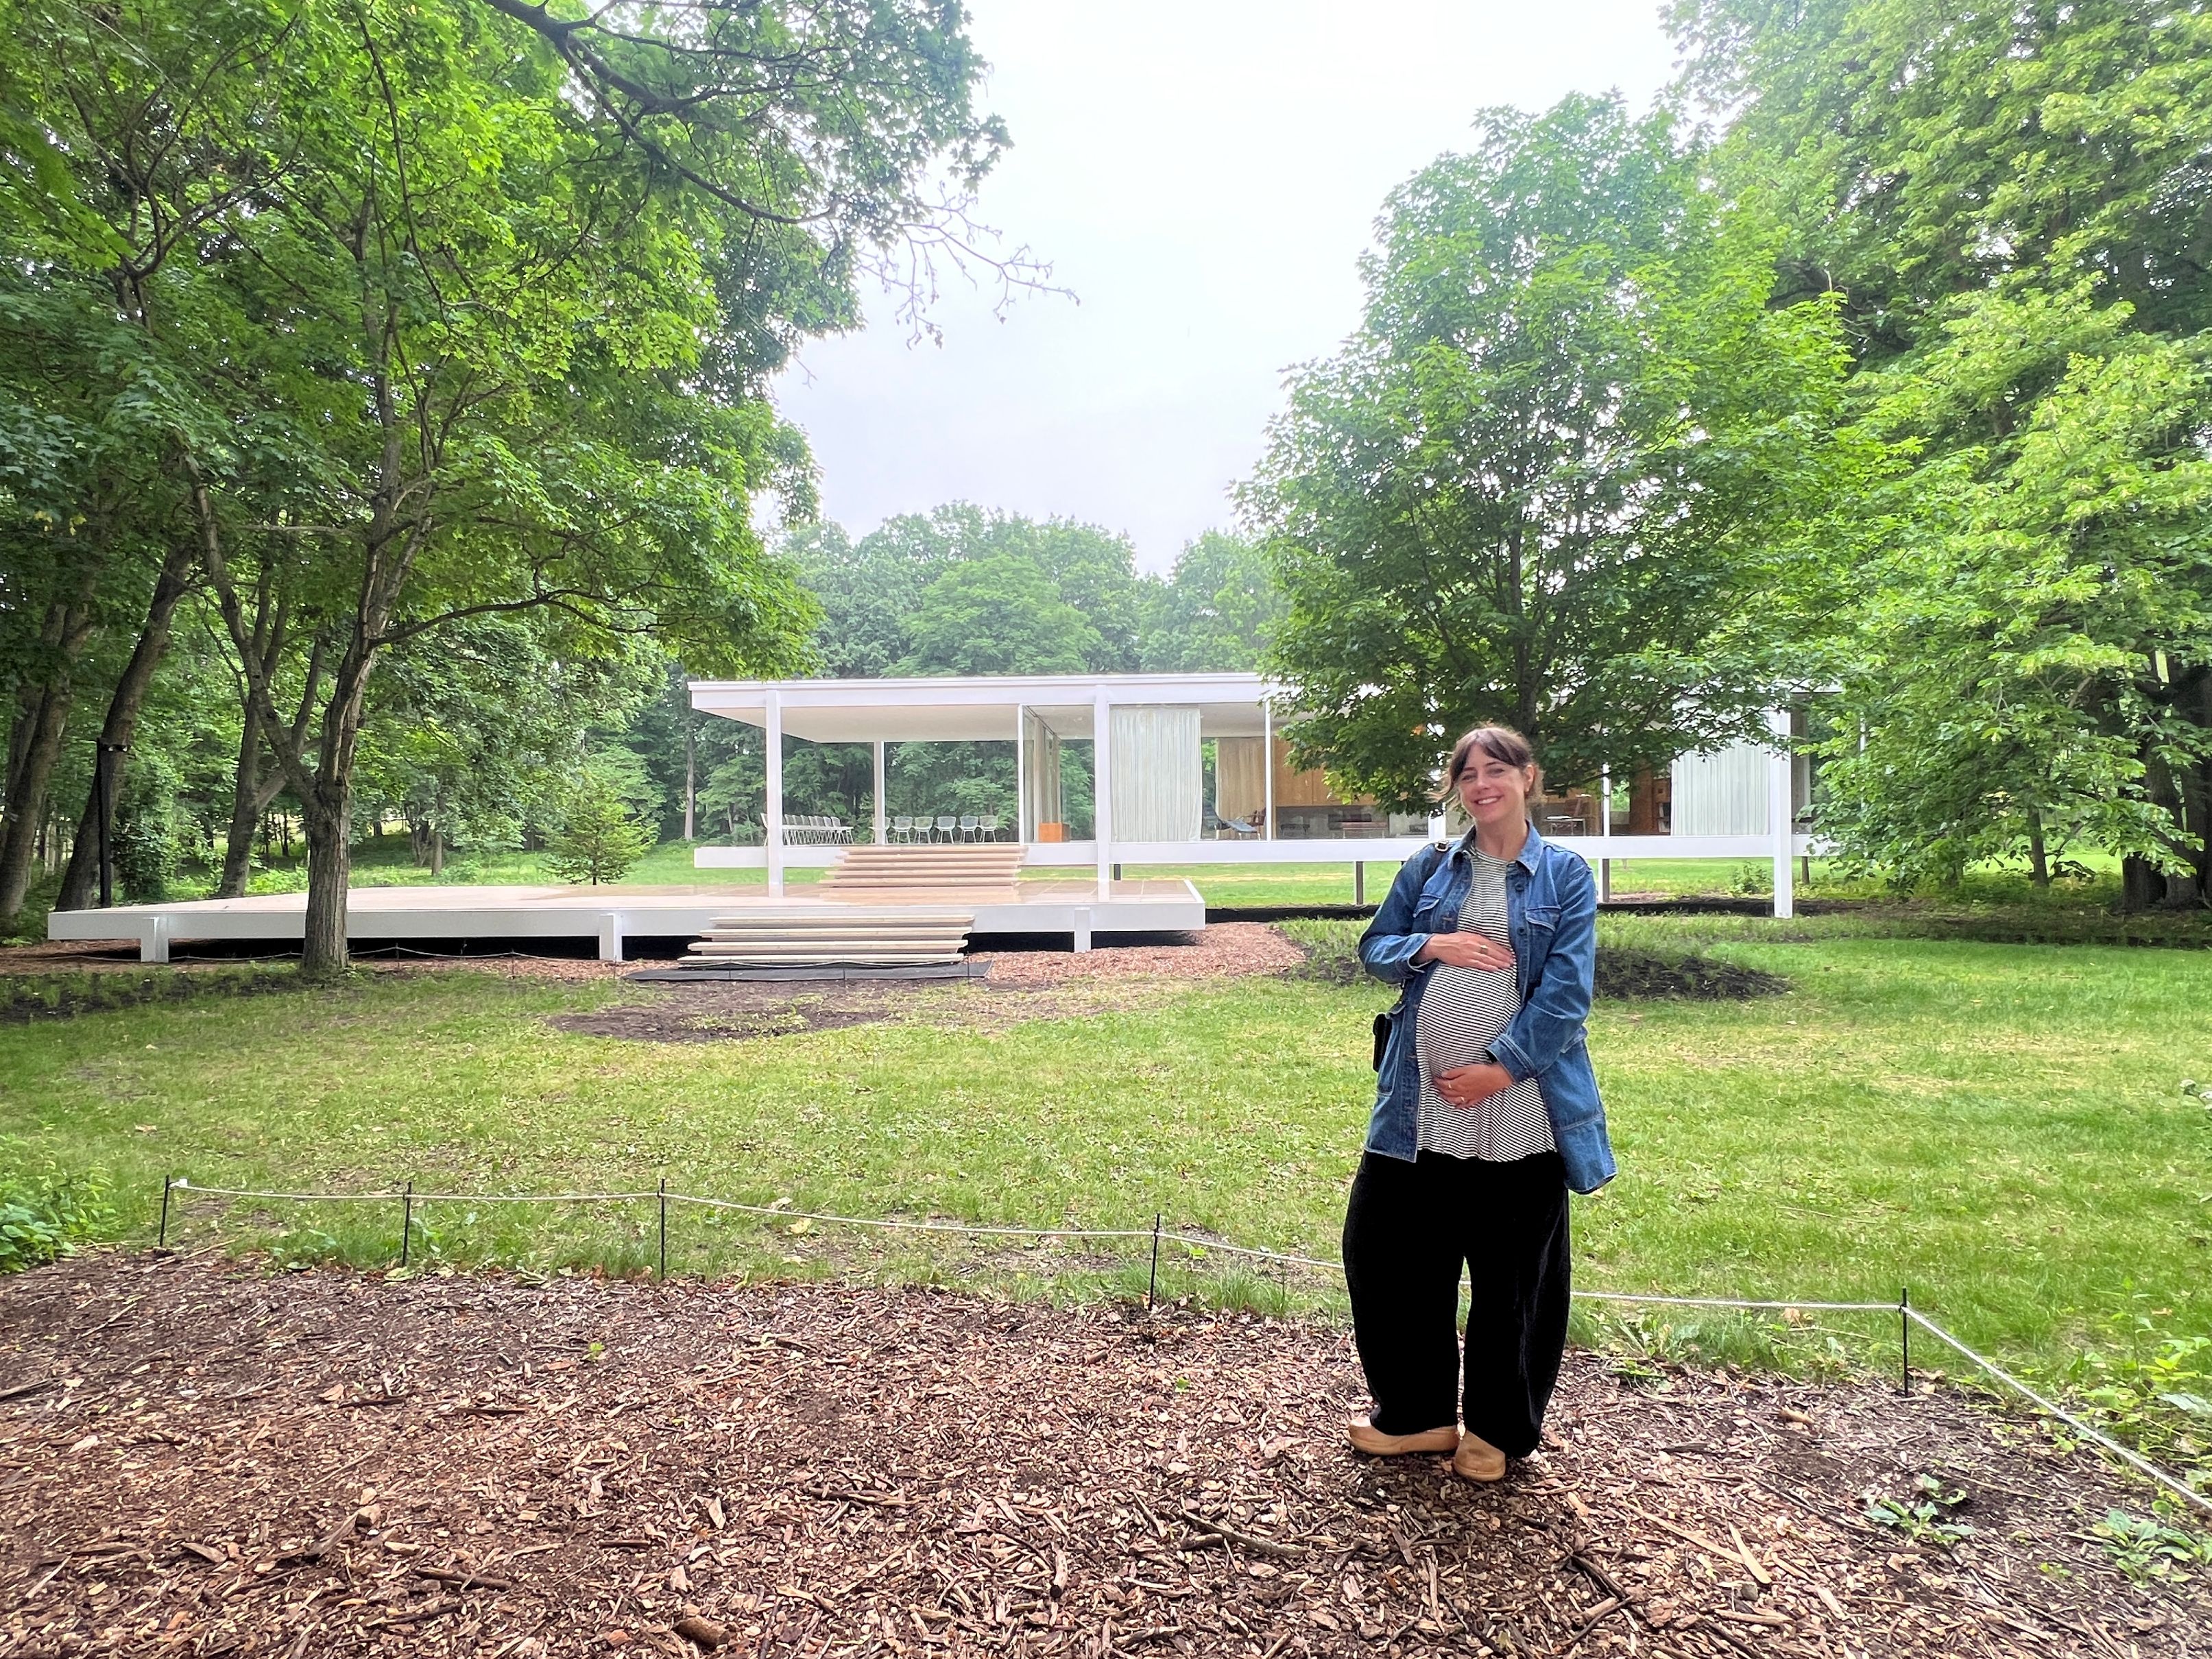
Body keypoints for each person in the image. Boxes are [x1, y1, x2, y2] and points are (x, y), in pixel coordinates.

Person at [1342, 725, 1615, 1482]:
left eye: (1496, 770)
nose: (1481, 785)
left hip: (1519, 1112)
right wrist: (1433, 945)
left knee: (1514, 1280)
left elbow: (1566, 994)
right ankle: (1418, 1415)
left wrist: (1500, 1068)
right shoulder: (1431, 867)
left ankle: (1495, 1431)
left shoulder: (1563, 875)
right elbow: (1375, 948)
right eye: (1468, 774)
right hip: (1417, 1112)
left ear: (1528, 777)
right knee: (1386, 1258)